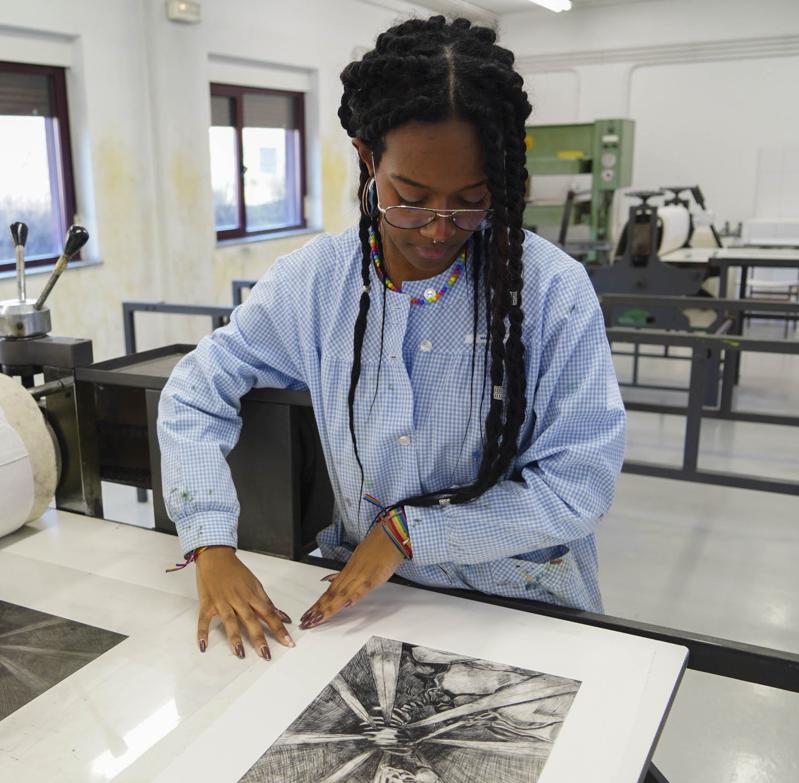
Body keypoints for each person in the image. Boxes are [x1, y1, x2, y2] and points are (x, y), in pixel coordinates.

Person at [157, 15, 626, 661]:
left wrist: (410, 534)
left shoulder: (551, 292)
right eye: (410, 198)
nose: (439, 230)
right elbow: (194, 392)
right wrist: (210, 542)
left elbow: (578, 486)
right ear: (367, 158)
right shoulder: (314, 283)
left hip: (520, 598)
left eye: (470, 201)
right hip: (370, 599)